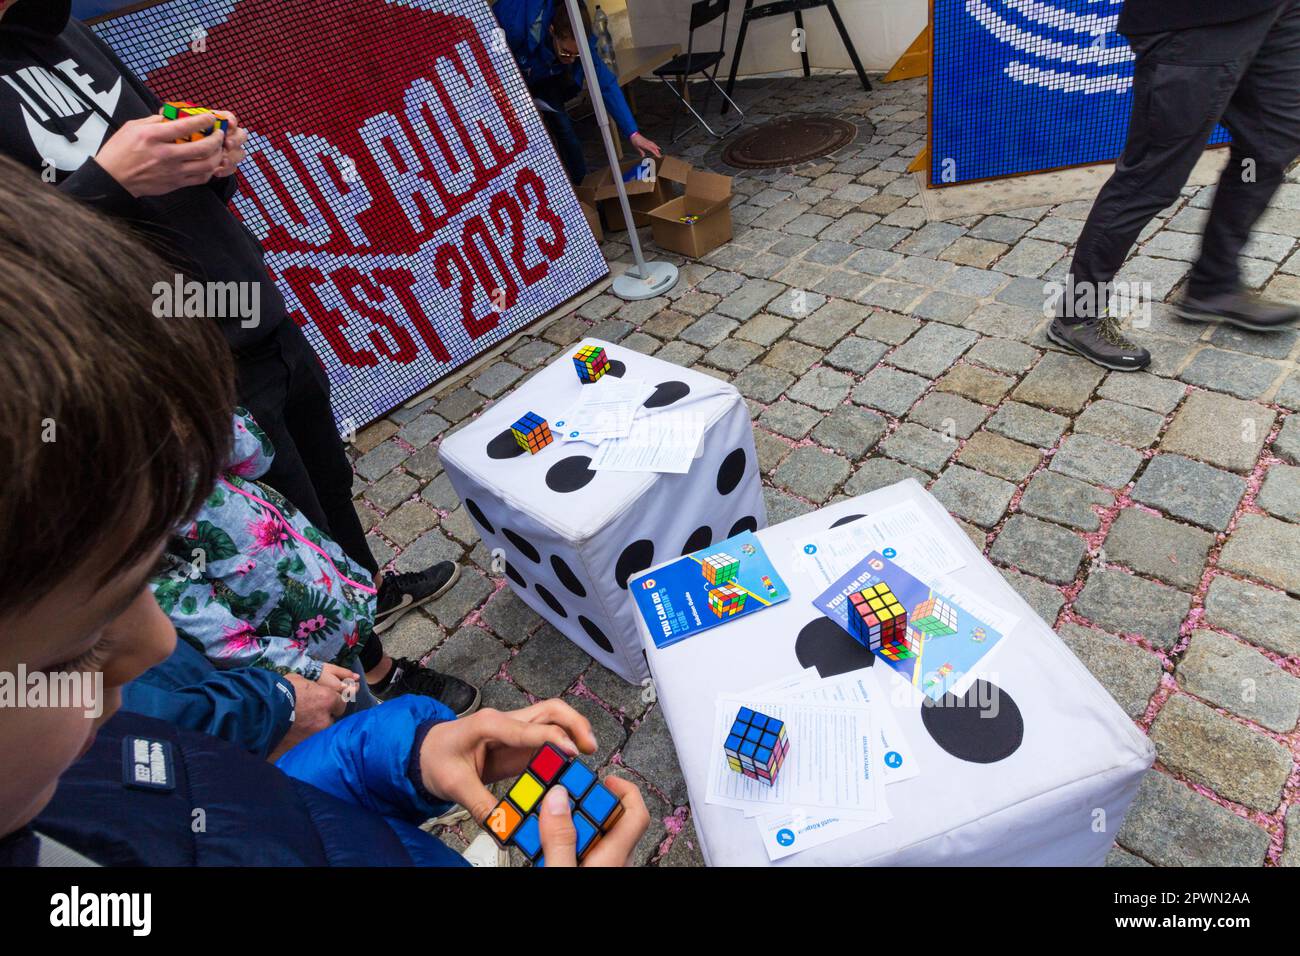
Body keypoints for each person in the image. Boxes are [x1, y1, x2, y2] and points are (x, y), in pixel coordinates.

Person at [0, 157, 650, 867]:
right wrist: (290, 691)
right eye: (82, 645)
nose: (160, 644)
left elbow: (255, 800)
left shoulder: (75, 758)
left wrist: (407, 754)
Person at [0, 0, 470, 699]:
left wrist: (213, 154)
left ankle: (366, 593)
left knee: (329, 480)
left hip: (250, 306)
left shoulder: (58, 24)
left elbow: (163, 135)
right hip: (177, 358)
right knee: (290, 523)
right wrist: (108, 183)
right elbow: (22, 277)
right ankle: (373, 671)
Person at [154, 409, 479, 714]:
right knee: (356, 723)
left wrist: (204, 411)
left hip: (323, 609)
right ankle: (392, 712)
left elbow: (256, 456)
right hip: (298, 662)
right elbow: (212, 633)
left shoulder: (177, 427)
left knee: (359, 697)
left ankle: (379, 656)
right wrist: (306, 673)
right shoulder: (131, 524)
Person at [1051, 0, 1300, 370]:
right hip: (1192, 21)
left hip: (1277, 11)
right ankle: (1077, 314)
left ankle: (1213, 286)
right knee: (1152, 176)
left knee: (1269, 147)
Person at [493, 0, 661, 183]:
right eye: (566, 53)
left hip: (544, 75)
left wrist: (633, 133)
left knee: (563, 126)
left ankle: (582, 186)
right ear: (551, 31)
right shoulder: (515, 24)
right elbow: (491, 57)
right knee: (520, 136)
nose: (571, 60)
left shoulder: (580, 37)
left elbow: (606, 84)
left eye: (577, 55)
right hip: (510, 71)